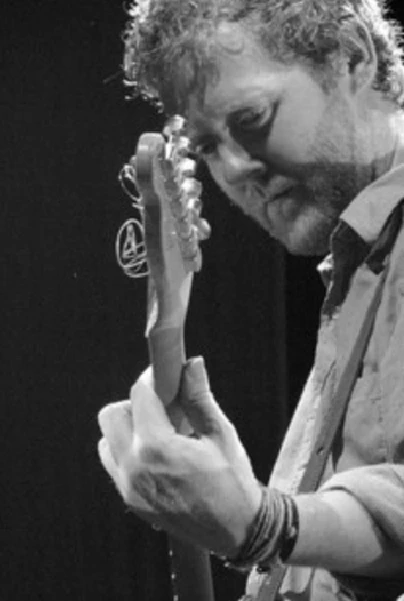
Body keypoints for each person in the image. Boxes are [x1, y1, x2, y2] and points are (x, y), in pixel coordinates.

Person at [96, 1, 404, 599]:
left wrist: (264, 523)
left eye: (254, 118)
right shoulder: (363, 259)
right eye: (208, 147)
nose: (237, 169)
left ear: (353, 58)